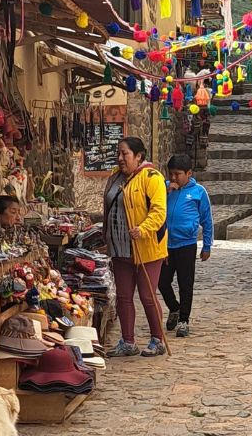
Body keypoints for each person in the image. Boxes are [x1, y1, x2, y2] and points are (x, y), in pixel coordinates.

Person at [103, 136, 168, 357]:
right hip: (120, 247)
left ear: (138, 156)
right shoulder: (114, 178)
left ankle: (157, 339)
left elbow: (158, 211)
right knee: (123, 296)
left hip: (146, 247)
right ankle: (127, 341)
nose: (120, 158)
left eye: (125, 154)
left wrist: (143, 228)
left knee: (148, 295)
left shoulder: (152, 177)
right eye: (119, 153)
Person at [158, 153, 213, 338]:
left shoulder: (198, 192)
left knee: (185, 283)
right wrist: (166, 192)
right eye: (171, 174)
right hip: (165, 245)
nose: (173, 178)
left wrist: (207, 246)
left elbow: (207, 220)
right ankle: (174, 307)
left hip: (187, 245)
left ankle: (183, 320)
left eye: (177, 174)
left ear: (188, 173)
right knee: (162, 282)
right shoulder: (164, 189)